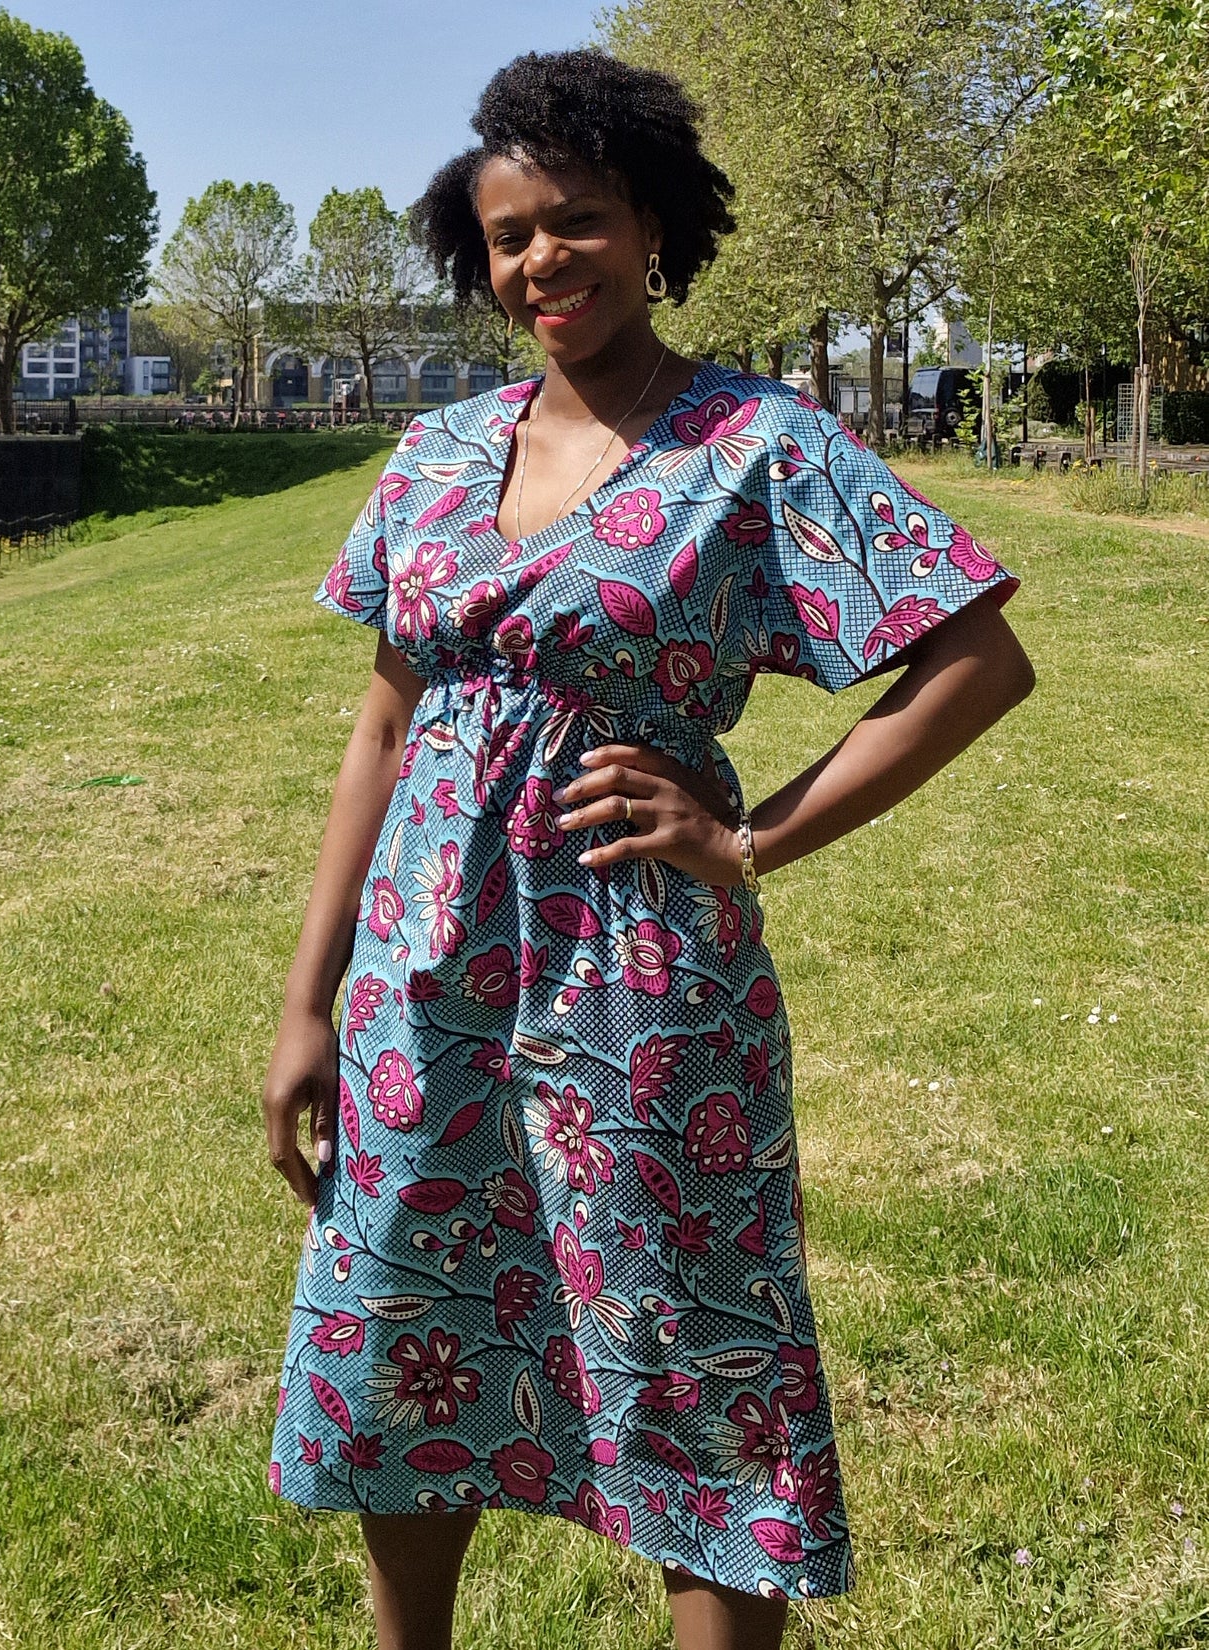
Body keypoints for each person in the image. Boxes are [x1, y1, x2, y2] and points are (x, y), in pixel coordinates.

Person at [263, 48, 1034, 1650]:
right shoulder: (434, 455)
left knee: (694, 1351)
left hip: (641, 974)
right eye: (510, 237)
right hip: (426, 971)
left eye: (580, 220)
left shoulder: (757, 448)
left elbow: (973, 659)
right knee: (414, 1314)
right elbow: (384, 727)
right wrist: (306, 996)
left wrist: (750, 832)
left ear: (653, 224)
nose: (545, 260)